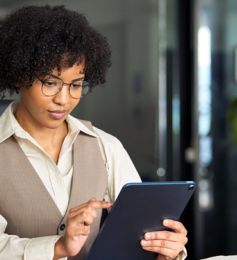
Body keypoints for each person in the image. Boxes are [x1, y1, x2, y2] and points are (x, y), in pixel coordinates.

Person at [0, 5, 188, 260]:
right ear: (18, 75)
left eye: (76, 85)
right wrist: (58, 247)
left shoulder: (105, 146)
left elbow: (138, 230)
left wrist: (164, 250)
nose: (64, 100)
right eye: (50, 83)